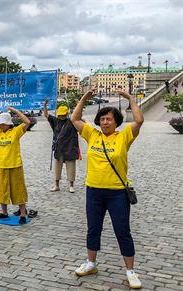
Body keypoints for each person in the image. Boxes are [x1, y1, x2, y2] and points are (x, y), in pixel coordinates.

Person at [71, 89, 144, 289]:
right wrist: (84, 98)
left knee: (122, 231)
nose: (105, 122)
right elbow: (74, 119)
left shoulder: (124, 136)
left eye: (109, 119)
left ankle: (130, 271)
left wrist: (130, 98)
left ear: (116, 121)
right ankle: (91, 263)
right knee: (93, 228)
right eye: (102, 119)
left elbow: (139, 121)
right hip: (93, 191)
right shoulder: (92, 135)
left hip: (117, 193)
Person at [0, 104, 31, 224]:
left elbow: (27, 122)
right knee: (2, 190)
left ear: (9, 123)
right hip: (2, 166)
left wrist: (15, 111)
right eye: (0, 123)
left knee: (18, 190)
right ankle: (4, 213)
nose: (0, 125)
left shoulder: (16, 131)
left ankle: (23, 214)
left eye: (3, 123)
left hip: (15, 166)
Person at [43, 100, 79, 193]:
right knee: (57, 168)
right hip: (59, 148)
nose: (61, 117)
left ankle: (71, 185)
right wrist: (45, 105)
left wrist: (78, 104)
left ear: (67, 114)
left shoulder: (72, 121)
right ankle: (56, 185)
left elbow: (78, 116)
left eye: (63, 115)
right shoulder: (55, 121)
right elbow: (46, 115)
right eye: (60, 115)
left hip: (70, 147)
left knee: (71, 166)